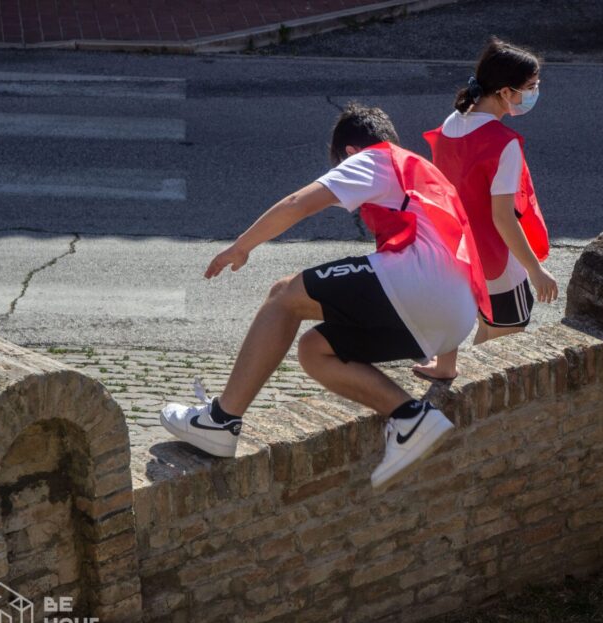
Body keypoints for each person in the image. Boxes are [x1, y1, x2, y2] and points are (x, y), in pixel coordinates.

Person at [160, 103, 491, 489]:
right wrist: (445, 365)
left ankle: (220, 420)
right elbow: (453, 257)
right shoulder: (422, 172)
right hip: (454, 317)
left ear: (349, 152)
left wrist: (241, 247)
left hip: (421, 286)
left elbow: (297, 204)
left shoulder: (371, 158)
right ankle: (410, 416)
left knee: (284, 294)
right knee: (315, 349)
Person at [412, 37, 557, 381]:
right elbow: (503, 217)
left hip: (463, 259)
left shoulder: (451, 123)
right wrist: (535, 271)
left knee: (484, 335)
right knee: (502, 362)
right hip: (500, 268)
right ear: (506, 92)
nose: (535, 93)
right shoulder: (503, 144)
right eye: (531, 87)